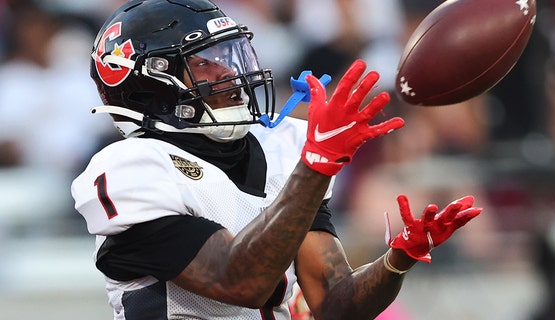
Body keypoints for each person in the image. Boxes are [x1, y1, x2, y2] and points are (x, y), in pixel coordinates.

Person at [70, 0, 483, 319]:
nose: (230, 75)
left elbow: (334, 305)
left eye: (229, 57)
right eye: (205, 65)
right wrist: (316, 165)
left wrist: (397, 259)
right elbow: (241, 280)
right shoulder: (130, 169)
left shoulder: (279, 147)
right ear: (150, 86)